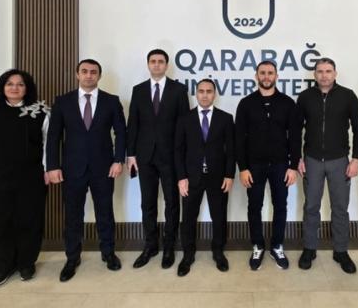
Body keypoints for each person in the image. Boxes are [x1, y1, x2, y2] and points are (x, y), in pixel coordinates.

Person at [46, 59, 126, 282]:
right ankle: (72, 258)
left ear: (99, 76)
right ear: (77, 74)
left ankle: (108, 253)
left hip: (104, 168)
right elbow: (53, 136)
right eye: (84, 71)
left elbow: (121, 132)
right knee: (73, 216)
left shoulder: (111, 101)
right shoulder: (63, 102)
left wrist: (118, 160)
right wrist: (52, 165)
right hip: (72, 169)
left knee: (105, 213)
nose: (89, 75)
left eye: (93, 72)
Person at [0, 69, 50, 287]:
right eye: (10, 84)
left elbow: (48, 145)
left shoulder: (40, 112)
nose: (15, 88)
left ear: (27, 88)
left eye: (20, 84)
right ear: (2, 88)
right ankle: (3, 267)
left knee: (30, 220)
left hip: (31, 177)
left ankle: (26, 263)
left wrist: (47, 169)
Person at [296, 57, 358, 274]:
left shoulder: (348, 96)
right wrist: (297, 158)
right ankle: (309, 249)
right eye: (320, 71)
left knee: (340, 208)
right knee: (311, 206)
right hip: (312, 160)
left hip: (339, 161)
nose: (324, 75)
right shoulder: (305, 97)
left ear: (335, 73)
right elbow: (296, 130)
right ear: (314, 75)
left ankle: (341, 251)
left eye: (328, 71)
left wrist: (356, 159)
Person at [126, 49, 190, 269]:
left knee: (172, 203)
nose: (156, 65)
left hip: (170, 156)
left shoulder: (179, 90)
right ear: (148, 64)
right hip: (145, 156)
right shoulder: (138, 90)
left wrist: (182, 155)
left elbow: (183, 125)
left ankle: (169, 246)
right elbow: (133, 123)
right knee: (148, 202)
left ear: (166, 65)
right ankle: (150, 245)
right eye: (152, 61)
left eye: (160, 61)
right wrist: (131, 154)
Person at [235, 61, 301, 270]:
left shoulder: (287, 103)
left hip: (281, 165)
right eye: (262, 73)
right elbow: (239, 139)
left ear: (276, 76)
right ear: (256, 76)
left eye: (270, 73)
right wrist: (243, 168)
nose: (266, 76)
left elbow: (295, 137)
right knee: (254, 206)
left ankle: (276, 246)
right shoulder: (246, 103)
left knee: (280, 205)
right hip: (253, 166)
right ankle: (258, 245)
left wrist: (293, 166)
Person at [174, 79, 235, 276]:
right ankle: (188, 255)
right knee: (188, 217)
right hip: (191, 178)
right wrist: (181, 177)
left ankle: (218, 252)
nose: (205, 95)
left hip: (218, 177)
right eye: (201, 91)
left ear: (214, 94)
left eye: (209, 91)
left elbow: (231, 150)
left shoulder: (225, 118)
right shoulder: (184, 119)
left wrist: (229, 175)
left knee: (219, 215)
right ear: (196, 94)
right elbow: (178, 150)